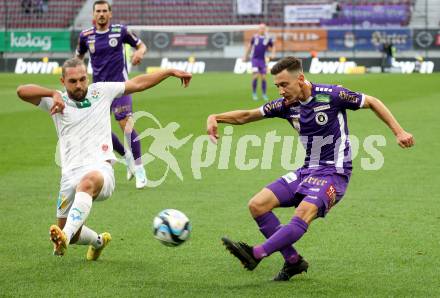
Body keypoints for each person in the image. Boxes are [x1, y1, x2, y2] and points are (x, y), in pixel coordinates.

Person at [206, 57, 414, 281]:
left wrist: (399, 132)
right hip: (306, 171)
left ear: (301, 79)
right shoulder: (286, 106)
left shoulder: (332, 95)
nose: (280, 91)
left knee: (303, 213)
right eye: (277, 86)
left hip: (335, 173)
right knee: (258, 205)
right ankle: (293, 262)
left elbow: (372, 101)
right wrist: (215, 117)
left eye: (284, 84)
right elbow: (247, 115)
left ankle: (256, 253)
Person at [16, 58, 191, 259]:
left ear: (87, 77)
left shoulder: (101, 91)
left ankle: (63, 236)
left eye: (83, 79)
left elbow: (138, 83)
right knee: (74, 235)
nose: (79, 85)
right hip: (69, 177)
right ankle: (98, 241)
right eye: (73, 81)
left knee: (87, 184)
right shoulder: (56, 102)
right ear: (63, 81)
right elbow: (22, 91)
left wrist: (169, 72)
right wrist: (52, 93)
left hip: (101, 172)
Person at [76, 0, 149, 189]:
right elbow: (78, 58)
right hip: (98, 91)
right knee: (101, 132)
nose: (101, 14)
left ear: (110, 14)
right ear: (93, 15)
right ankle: (128, 159)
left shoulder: (120, 31)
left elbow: (141, 46)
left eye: (104, 11)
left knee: (126, 125)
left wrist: (139, 53)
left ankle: (140, 170)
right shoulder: (86, 36)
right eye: (98, 11)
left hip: (121, 86)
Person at [243, 23, 275, 101]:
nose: (262, 29)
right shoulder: (255, 37)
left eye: (264, 28)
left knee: (264, 77)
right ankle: (254, 93)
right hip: (254, 59)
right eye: (261, 28)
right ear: (259, 29)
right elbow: (249, 47)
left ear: (265, 29)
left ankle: (264, 94)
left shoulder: (267, 38)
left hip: (262, 60)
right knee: (255, 76)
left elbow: (273, 46)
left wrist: (273, 54)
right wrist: (245, 56)